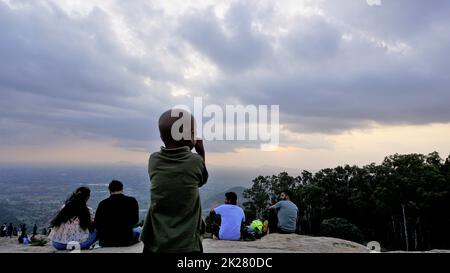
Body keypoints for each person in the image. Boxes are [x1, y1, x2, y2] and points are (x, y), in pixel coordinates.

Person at [141, 109, 208, 253]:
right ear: (190, 136)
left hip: (155, 240)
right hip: (187, 242)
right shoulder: (195, 161)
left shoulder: (154, 159)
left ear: (161, 136)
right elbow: (202, 180)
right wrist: (201, 152)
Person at [94, 180, 141, 247]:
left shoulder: (102, 203)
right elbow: (135, 220)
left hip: (105, 241)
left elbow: (97, 223)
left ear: (109, 190)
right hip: (125, 240)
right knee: (140, 230)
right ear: (122, 189)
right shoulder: (132, 201)